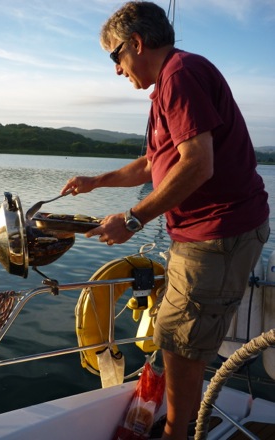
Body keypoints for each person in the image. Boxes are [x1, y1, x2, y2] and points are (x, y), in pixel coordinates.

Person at [61, 2, 270, 439]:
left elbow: (197, 165)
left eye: (114, 56)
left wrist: (133, 221)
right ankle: (179, 425)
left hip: (216, 235)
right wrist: (96, 180)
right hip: (202, 235)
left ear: (136, 44)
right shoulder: (169, 84)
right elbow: (154, 162)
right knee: (178, 339)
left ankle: (177, 434)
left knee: (180, 344)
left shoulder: (180, 75)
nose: (116, 70)